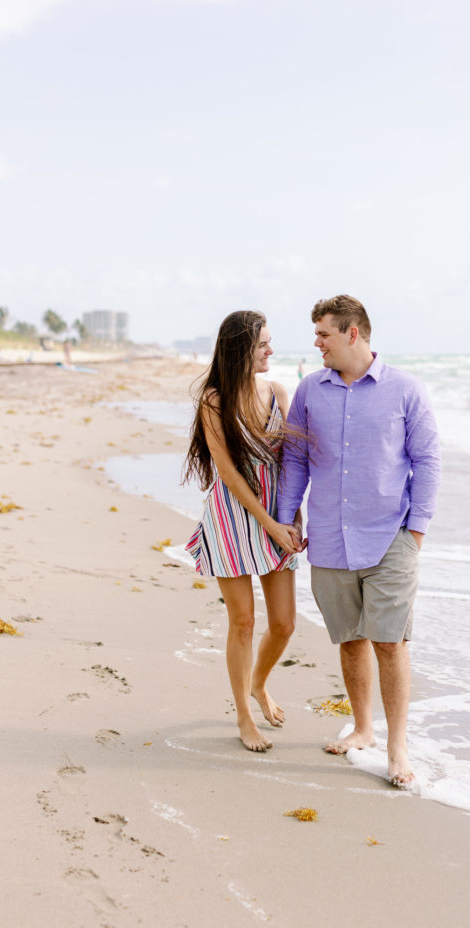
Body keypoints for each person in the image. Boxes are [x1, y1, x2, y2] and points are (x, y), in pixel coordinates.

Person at [277, 295, 440, 787]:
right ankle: (363, 730)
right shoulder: (309, 391)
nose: (316, 342)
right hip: (328, 536)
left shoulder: (406, 389)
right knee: (350, 640)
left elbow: (427, 460)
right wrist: (289, 519)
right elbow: (296, 461)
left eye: (323, 334)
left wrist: (416, 531)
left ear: (353, 333)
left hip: (391, 535)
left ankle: (397, 746)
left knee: (390, 642)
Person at [183, 310, 304, 752]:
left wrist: (294, 518)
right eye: (262, 344)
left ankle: (259, 683)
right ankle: (243, 716)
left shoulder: (277, 391)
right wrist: (268, 521)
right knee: (243, 620)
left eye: (270, 342)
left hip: (277, 513)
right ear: (240, 349)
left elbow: (292, 462)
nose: (271, 350)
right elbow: (229, 474)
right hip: (234, 517)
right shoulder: (215, 400)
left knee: (285, 623)